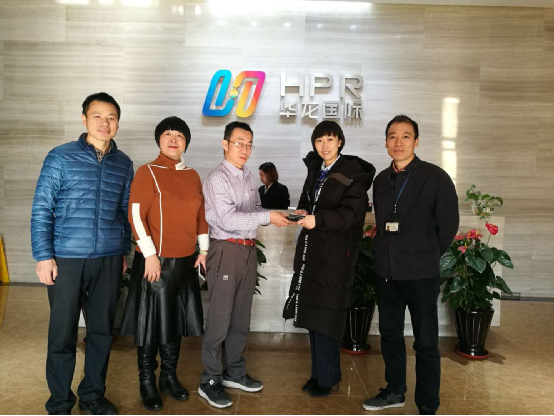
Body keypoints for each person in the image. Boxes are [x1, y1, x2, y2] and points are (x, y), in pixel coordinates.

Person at [31, 92, 134, 416]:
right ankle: (60, 402)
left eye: (111, 117)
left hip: (108, 260)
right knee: (62, 334)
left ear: (118, 123)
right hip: (66, 259)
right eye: (97, 116)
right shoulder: (60, 157)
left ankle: (92, 395)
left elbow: (125, 214)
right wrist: (44, 256)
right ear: (84, 119)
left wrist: (123, 253)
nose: (105, 123)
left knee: (101, 333)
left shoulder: (124, 164)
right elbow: (42, 208)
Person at [363, 115, 459, 416]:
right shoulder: (381, 180)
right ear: (386, 142)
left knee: (426, 342)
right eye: (392, 136)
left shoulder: (436, 177)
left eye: (405, 136)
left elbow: (448, 226)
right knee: (390, 336)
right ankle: (394, 391)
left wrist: (426, 254)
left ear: (416, 141)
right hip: (387, 272)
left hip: (421, 273)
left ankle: (427, 404)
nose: (398, 142)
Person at [119, 117, 209, 412]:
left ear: (186, 143)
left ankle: (169, 376)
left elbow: (201, 216)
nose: (173, 139)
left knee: (174, 322)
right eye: (167, 134)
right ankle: (147, 381)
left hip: (184, 262)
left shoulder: (192, 175)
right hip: (155, 263)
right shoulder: (148, 172)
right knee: (150, 324)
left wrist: (203, 250)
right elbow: (136, 215)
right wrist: (149, 255)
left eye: (179, 135)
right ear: (159, 140)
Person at [199, 121, 290, 409]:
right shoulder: (217, 178)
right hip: (226, 249)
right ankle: (209, 380)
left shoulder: (249, 177)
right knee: (220, 318)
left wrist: (281, 214)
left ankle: (234, 372)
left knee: (240, 316)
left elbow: (255, 211)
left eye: (249, 144)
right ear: (225, 144)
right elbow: (227, 219)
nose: (245, 149)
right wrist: (266, 217)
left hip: (248, 250)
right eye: (239, 143)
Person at [284, 120, 376, 398]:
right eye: (319, 140)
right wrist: (303, 211)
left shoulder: (352, 174)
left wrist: (318, 219)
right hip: (313, 252)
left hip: (335, 256)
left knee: (326, 317)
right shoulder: (316, 169)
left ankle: (328, 379)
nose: (324, 145)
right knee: (313, 315)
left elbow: (352, 215)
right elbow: (307, 199)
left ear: (340, 142)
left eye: (330, 139)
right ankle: (319, 375)